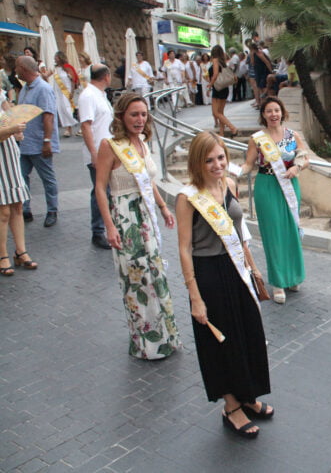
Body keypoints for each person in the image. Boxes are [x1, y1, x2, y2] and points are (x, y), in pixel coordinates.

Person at [177, 132, 273, 439]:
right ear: (197, 162)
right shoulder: (188, 197)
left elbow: (238, 232)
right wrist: (195, 296)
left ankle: (247, 394)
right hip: (209, 274)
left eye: (220, 157)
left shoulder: (229, 185)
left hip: (237, 270)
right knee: (222, 343)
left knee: (248, 334)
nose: (217, 164)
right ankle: (231, 407)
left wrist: (254, 269)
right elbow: (184, 247)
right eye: (209, 160)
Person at [94, 92, 179, 359]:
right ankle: (145, 344)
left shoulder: (142, 142)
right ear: (121, 116)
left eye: (143, 114)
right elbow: (99, 187)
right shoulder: (110, 145)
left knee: (155, 275)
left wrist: (164, 207)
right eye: (134, 114)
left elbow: (147, 180)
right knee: (136, 281)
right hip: (125, 218)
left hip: (146, 216)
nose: (140, 119)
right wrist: (109, 226)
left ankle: (166, 337)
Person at [242, 97, 308, 303]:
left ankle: (293, 277)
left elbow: (305, 157)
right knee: (273, 234)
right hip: (267, 186)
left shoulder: (292, 135)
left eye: (276, 110)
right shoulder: (257, 139)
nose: (273, 114)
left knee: (290, 232)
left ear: (282, 112)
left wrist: (297, 167)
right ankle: (278, 282)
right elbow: (248, 165)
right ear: (263, 114)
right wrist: (230, 172)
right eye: (269, 111)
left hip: (289, 186)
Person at [16, 55, 59, 227]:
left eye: (17, 67)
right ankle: (25, 208)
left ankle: (52, 210)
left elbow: (48, 116)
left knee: (47, 178)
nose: (15, 70)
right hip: (25, 142)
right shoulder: (25, 88)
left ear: (24, 69)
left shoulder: (43, 88)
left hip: (40, 143)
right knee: (21, 177)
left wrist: (47, 141)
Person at [0, 90, 35, 275]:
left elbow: (10, 115)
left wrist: (16, 131)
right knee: (3, 210)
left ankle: (21, 251)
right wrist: (11, 130)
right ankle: (2, 254)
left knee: (18, 204)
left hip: (8, 152)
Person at [79, 64, 113, 250]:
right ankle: (98, 231)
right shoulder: (88, 95)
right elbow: (86, 126)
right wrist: (93, 153)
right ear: (106, 76)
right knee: (100, 191)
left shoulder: (99, 95)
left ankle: (108, 227)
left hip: (107, 153)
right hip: (98, 154)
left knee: (107, 191)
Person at [43, 51, 78, 138]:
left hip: (66, 90)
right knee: (60, 109)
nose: (55, 59)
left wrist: (72, 92)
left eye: (56, 57)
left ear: (61, 57)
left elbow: (73, 80)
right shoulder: (54, 68)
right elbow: (45, 76)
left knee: (67, 108)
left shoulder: (67, 67)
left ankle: (70, 126)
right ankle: (67, 127)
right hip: (57, 91)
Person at [207, 45, 238, 139]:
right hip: (224, 88)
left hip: (217, 88)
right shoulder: (222, 61)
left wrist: (210, 85)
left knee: (216, 113)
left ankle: (233, 128)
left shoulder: (215, 60)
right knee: (220, 113)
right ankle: (221, 133)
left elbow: (215, 74)